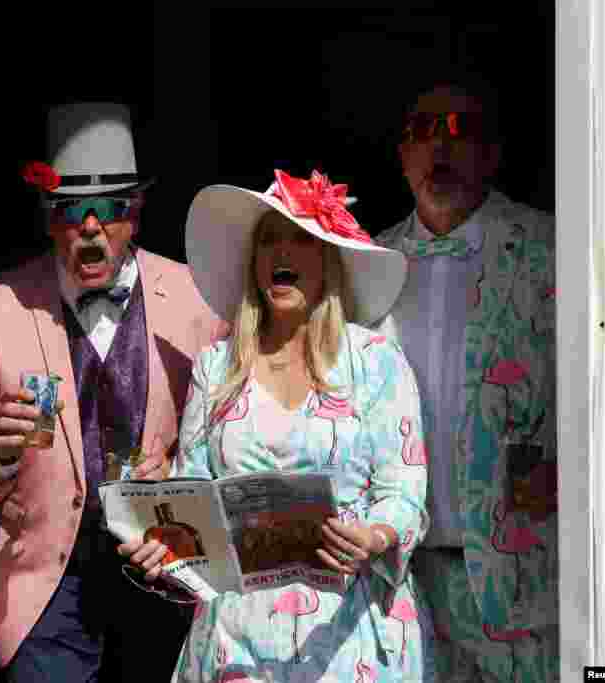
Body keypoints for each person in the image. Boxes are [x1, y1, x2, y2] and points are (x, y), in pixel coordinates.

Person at [0, 102, 223, 682]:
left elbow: (228, 444)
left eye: (110, 208)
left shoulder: (198, 299)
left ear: (137, 212)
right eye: (74, 211)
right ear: (49, 218)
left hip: (163, 569)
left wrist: (175, 470)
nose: (91, 227)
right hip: (44, 585)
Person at [123, 169, 435, 681]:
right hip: (236, 642)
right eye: (269, 240)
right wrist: (163, 538)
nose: (281, 253)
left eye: (299, 239)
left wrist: (375, 536)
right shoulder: (216, 368)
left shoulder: (376, 361)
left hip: (349, 634)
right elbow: (195, 497)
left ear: (326, 259)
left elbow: (405, 491)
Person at [375, 80, 558, 682]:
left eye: (460, 130)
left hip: (527, 581)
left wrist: (568, 458)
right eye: (423, 132)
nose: (439, 148)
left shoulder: (551, 248)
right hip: (408, 583)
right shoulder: (370, 266)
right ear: (402, 156)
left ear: (493, 153)